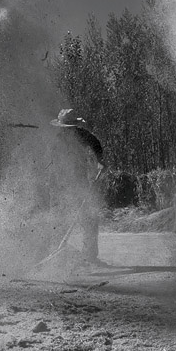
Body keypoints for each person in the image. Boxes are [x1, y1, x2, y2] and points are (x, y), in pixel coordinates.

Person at [49, 108, 106, 263]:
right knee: (60, 223)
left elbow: (95, 144)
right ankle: (58, 258)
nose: (70, 131)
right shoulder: (57, 143)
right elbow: (53, 168)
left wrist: (100, 161)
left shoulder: (81, 135)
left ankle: (90, 256)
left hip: (79, 184)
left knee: (89, 219)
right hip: (60, 186)